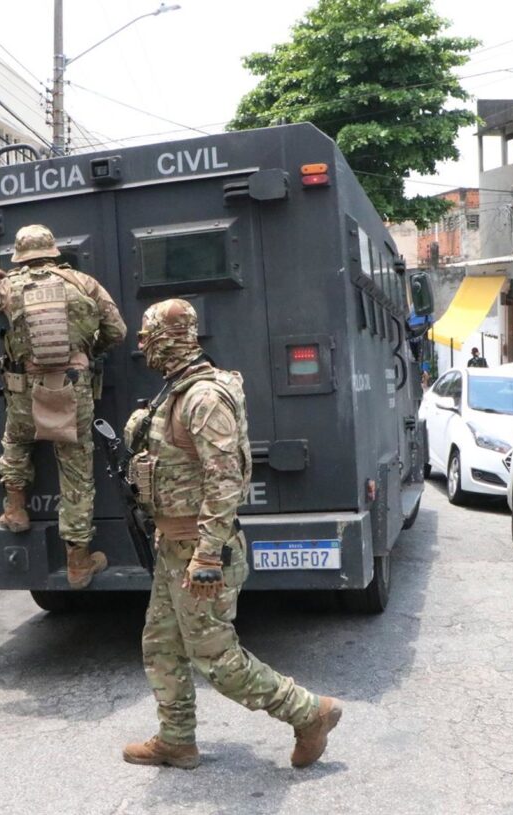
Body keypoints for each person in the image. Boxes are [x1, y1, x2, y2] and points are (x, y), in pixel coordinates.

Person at [121, 298, 341, 771]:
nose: (141, 347)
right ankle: (176, 740)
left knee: (216, 661)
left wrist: (205, 555)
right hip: (173, 548)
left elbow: (225, 481)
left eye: (147, 338)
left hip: (201, 554)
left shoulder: (203, 398)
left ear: (166, 339)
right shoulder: (175, 392)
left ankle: (309, 712)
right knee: (160, 644)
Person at [0, 224, 127, 589]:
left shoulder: (8, 286)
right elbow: (117, 330)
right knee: (77, 473)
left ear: (20, 255)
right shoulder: (83, 282)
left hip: (23, 389)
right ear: (52, 252)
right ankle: (79, 563)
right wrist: (89, 351)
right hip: (72, 388)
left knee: (16, 440)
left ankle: (16, 510)